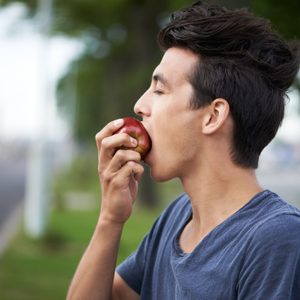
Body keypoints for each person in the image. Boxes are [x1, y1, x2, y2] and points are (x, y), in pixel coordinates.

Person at [67, 1, 300, 299]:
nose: (140, 105)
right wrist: (110, 218)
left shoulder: (276, 239)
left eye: (159, 90)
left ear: (213, 116)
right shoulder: (176, 218)